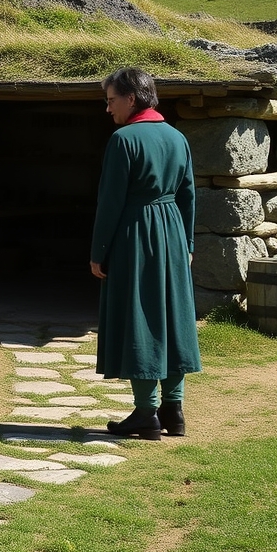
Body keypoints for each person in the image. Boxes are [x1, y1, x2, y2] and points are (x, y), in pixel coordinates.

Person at [89, 67, 200, 440]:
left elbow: (110, 203)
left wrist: (99, 251)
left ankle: (145, 412)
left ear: (131, 99)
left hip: (135, 233)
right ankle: (174, 407)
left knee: (139, 315)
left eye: (111, 100)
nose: (108, 110)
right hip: (171, 232)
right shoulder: (177, 138)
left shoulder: (124, 139)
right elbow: (188, 196)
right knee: (171, 315)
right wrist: (187, 244)